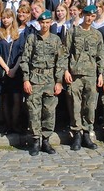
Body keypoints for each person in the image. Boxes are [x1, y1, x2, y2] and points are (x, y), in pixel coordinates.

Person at [21, 10, 66, 156]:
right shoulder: (32, 38)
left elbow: (61, 61)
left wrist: (59, 81)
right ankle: (35, 140)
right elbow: (25, 60)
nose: (45, 25)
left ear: (51, 23)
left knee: (49, 111)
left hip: (50, 79)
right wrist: (26, 79)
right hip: (35, 79)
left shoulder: (56, 40)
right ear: (39, 23)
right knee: (34, 111)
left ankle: (46, 140)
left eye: (47, 23)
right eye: (43, 23)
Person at [64, 4, 104, 150]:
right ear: (83, 15)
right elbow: (65, 53)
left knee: (90, 106)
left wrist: (101, 74)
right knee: (75, 105)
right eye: (88, 15)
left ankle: (87, 132)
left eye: (93, 16)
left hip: (91, 74)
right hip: (75, 74)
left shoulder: (97, 34)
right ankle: (77, 134)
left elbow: (101, 56)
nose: (90, 18)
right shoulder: (73, 32)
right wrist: (65, 71)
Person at [0, 9, 25, 134]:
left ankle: (15, 124)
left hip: (16, 70)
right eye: (3, 18)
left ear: (13, 18)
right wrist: (7, 69)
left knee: (17, 98)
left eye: (8, 17)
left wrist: (13, 69)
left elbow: (21, 54)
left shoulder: (19, 34)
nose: (5, 20)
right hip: (3, 71)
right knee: (5, 98)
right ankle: (7, 125)